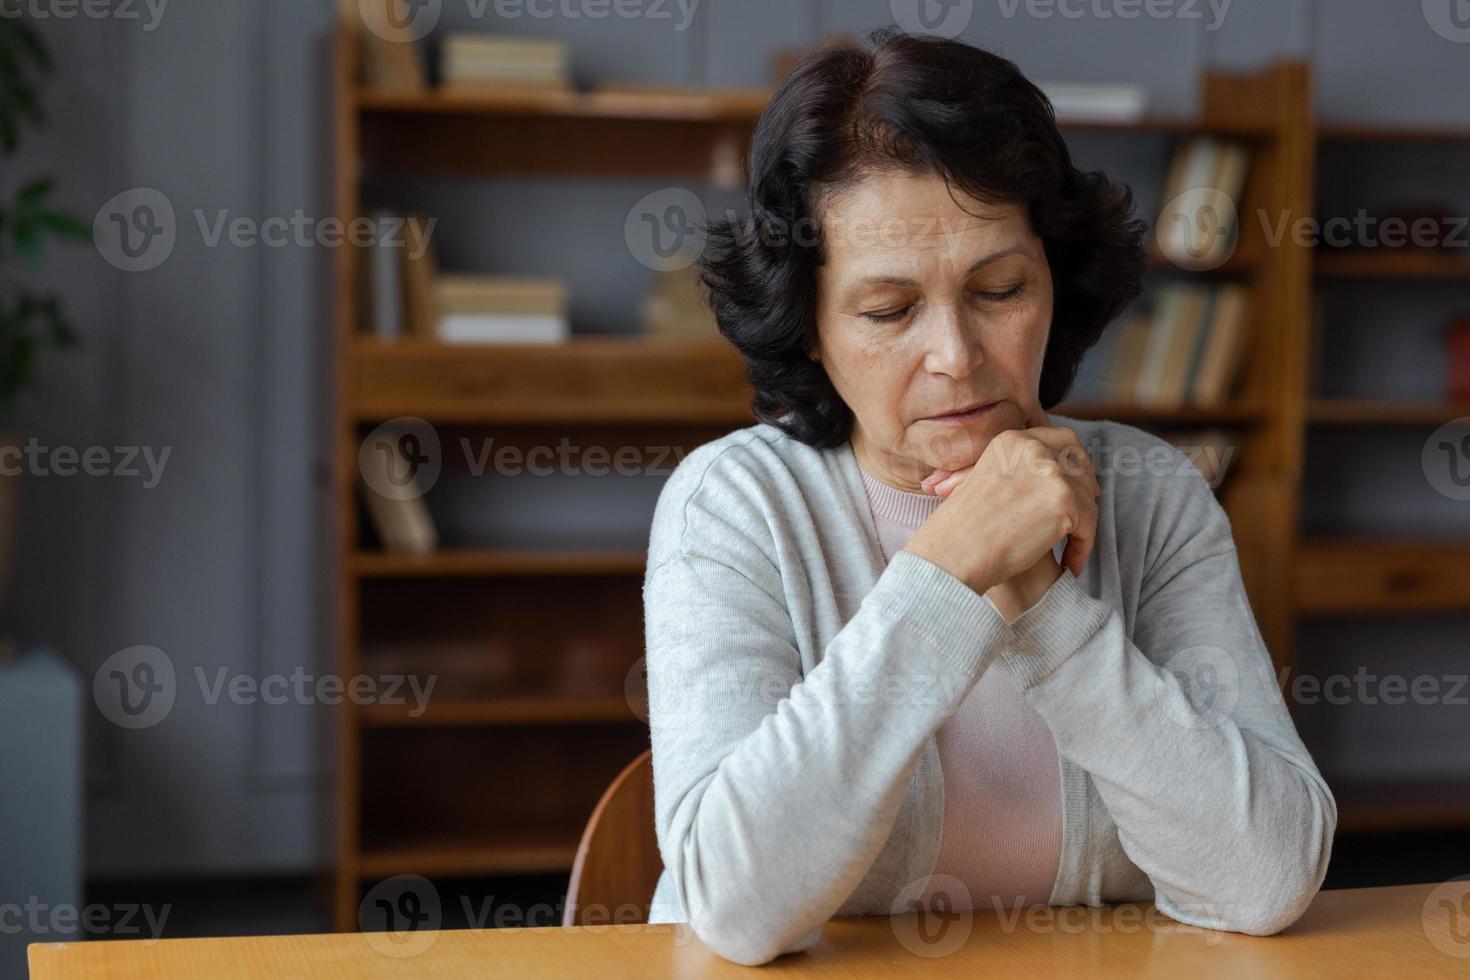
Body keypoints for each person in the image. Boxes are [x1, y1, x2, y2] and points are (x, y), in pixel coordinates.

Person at [641, 28, 1334, 967]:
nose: (956, 358)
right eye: (889, 312)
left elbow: (1268, 876)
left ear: (1055, 277)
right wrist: (947, 568)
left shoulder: (1150, 492)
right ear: (808, 326)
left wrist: (1049, 611)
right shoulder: (734, 506)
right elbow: (735, 905)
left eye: (1000, 289)